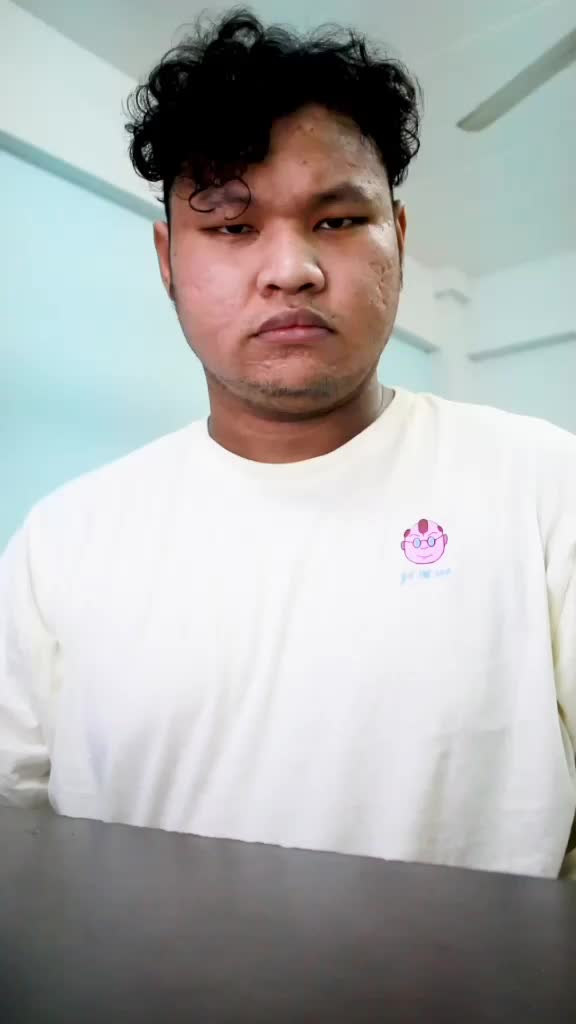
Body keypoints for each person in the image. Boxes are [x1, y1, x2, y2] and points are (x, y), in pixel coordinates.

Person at [1, 9, 575, 880]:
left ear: (399, 239)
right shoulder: (61, 543)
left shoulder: (545, 487)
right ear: (167, 260)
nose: (291, 270)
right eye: (232, 227)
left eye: (337, 221)